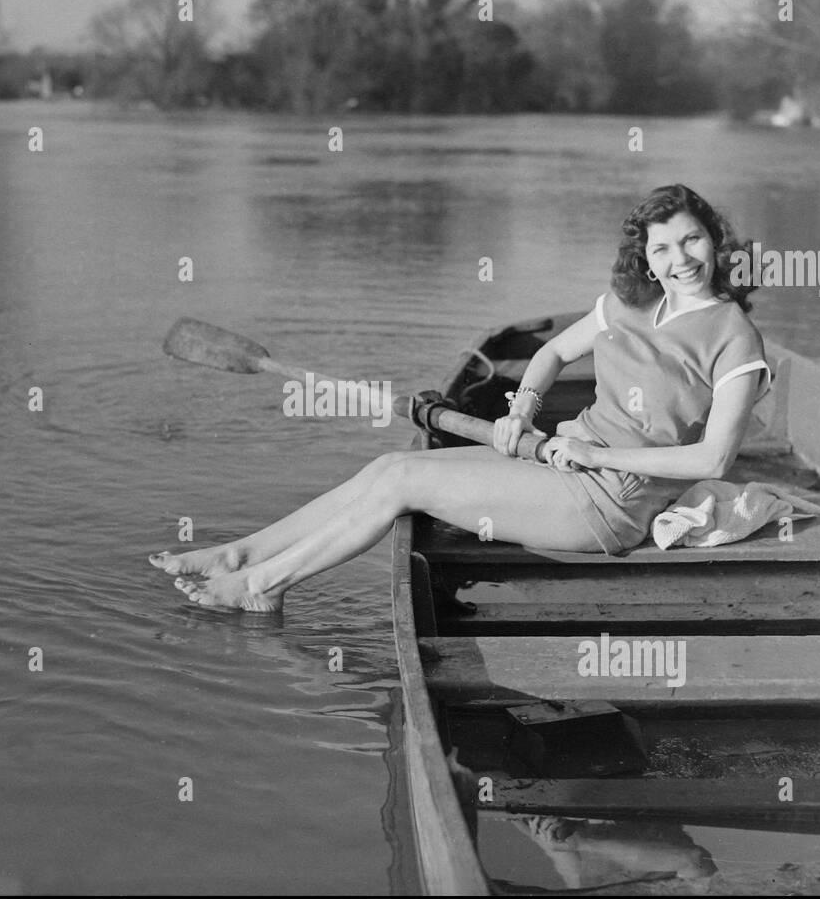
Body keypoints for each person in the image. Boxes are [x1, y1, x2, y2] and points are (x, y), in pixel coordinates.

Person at [150, 184, 771, 611]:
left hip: (610, 504)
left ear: (715, 241)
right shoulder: (625, 306)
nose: (679, 259)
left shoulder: (734, 336)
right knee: (388, 467)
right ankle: (241, 551)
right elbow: (551, 353)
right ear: (648, 259)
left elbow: (711, 462)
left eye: (691, 241)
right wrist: (521, 410)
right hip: (560, 454)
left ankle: (263, 584)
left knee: (402, 486)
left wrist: (602, 459)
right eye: (661, 248)